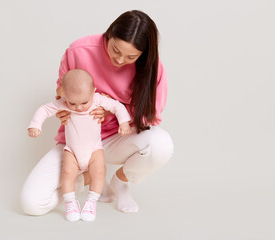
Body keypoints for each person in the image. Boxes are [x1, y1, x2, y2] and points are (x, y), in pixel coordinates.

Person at [21, 10, 174, 216]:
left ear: (143, 55)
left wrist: (112, 111)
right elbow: (61, 90)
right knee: (32, 203)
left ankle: (120, 182)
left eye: (131, 57)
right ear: (108, 35)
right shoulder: (79, 50)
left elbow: (151, 115)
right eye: (116, 50)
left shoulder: (151, 68)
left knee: (161, 145)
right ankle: (90, 178)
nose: (120, 60)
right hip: (74, 144)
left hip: (117, 139)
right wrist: (65, 108)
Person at [28, 69, 132, 221]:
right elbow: (44, 109)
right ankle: (71, 202)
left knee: (99, 172)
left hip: (94, 149)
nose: (79, 107)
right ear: (65, 96)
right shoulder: (63, 103)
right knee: (67, 174)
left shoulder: (98, 99)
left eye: (84, 102)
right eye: (73, 103)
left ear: (93, 91)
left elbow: (117, 106)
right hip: (72, 150)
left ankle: (91, 202)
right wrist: (35, 125)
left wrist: (124, 123)